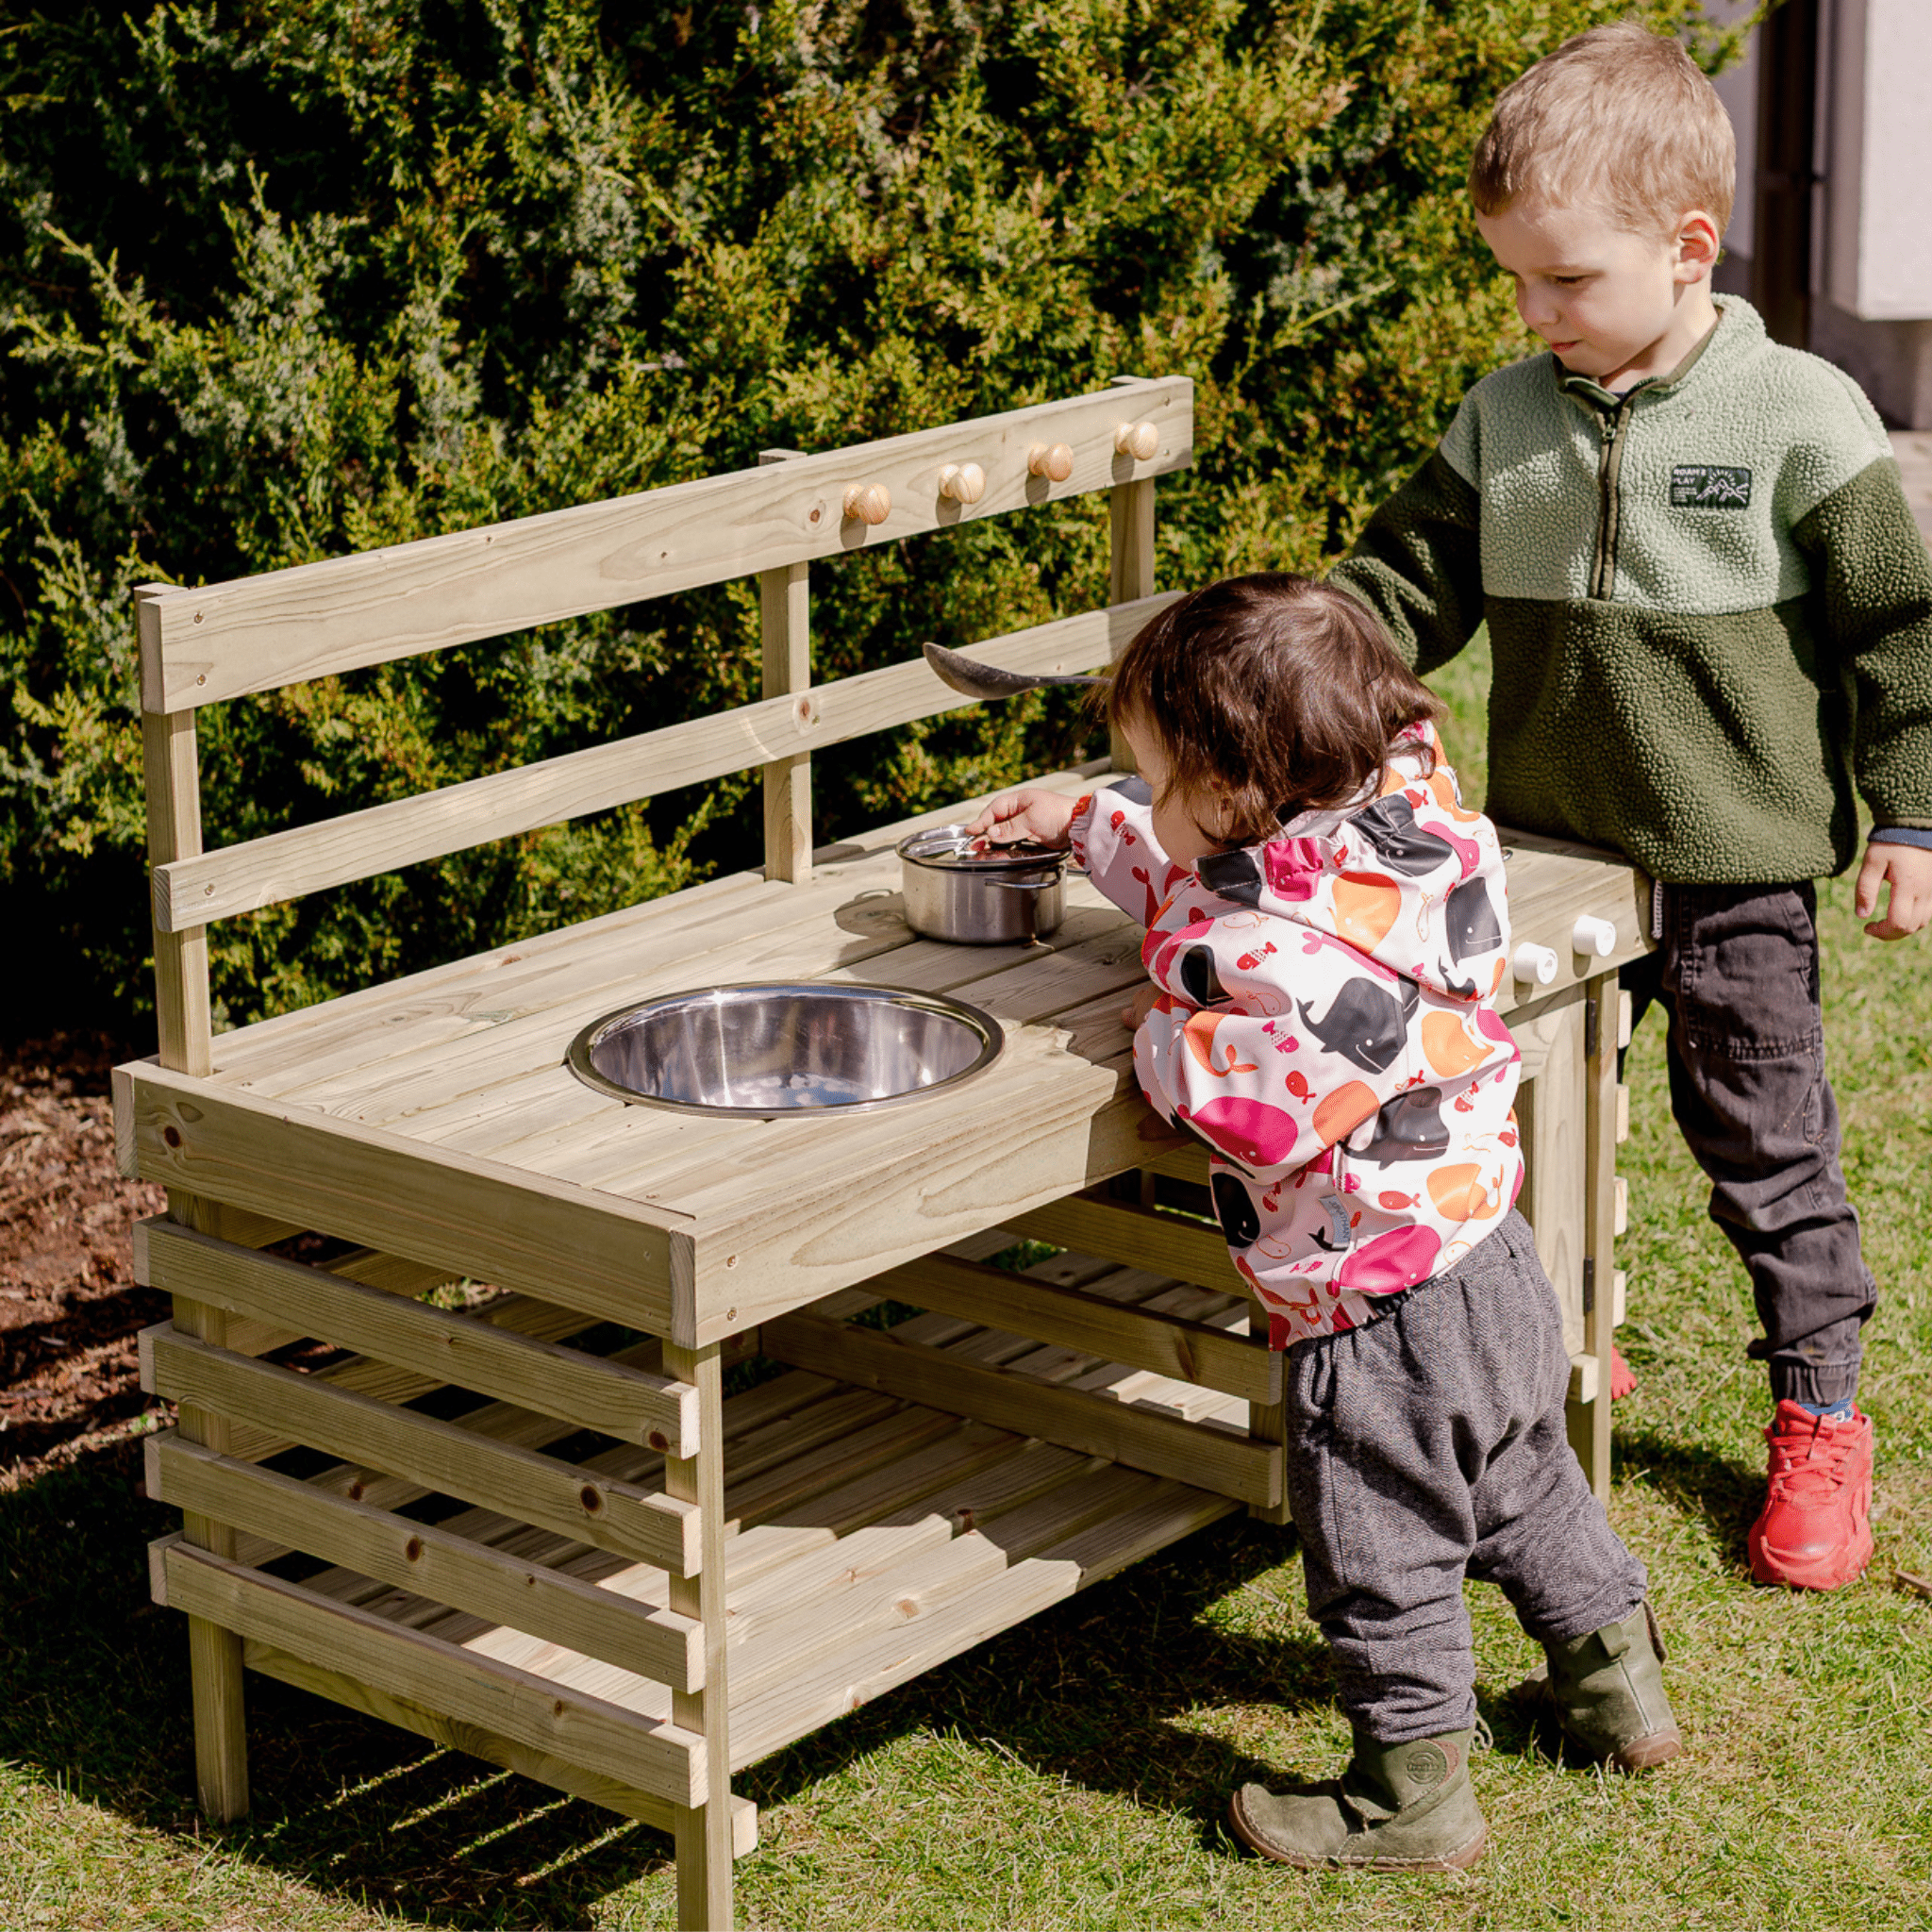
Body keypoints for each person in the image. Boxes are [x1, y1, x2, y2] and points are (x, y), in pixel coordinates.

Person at [1327, 22, 1932, 1594]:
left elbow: (1903, 639)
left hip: (1734, 871)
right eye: (1517, 283)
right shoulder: (1505, 416)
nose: (1537, 315)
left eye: (1568, 283)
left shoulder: (1805, 415)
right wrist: (1289, 669)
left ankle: (1820, 1415)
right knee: (1511, 1142)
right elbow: (1403, 585)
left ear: (1687, 249)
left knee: (1766, 1146)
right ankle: (1547, 1364)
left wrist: (1917, 818)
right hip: (1540, 870)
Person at [968, 575, 1680, 1873]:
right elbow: (1212, 893)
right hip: (1484, 1248)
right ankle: (1615, 1689)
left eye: (1150, 774)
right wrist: (1089, 821)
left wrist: (1160, 1049)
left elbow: (1244, 1093)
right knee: (1525, 1485)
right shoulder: (1402, 834)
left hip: (1376, 1309)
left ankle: (1412, 1794)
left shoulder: (1278, 955)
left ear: (1237, 791)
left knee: (1379, 1546)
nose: (1144, 797)